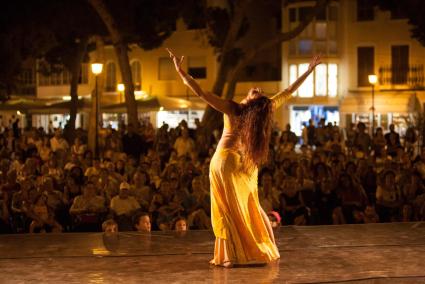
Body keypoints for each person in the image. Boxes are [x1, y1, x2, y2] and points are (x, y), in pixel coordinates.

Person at [168, 48, 321, 267]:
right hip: (247, 165)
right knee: (251, 207)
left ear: (251, 101)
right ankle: (263, 250)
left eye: (257, 92)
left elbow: (201, 93)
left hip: (227, 161)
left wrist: (181, 72)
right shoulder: (263, 111)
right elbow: (289, 91)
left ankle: (231, 255)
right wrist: (308, 71)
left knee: (228, 209)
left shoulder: (234, 108)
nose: (257, 89)